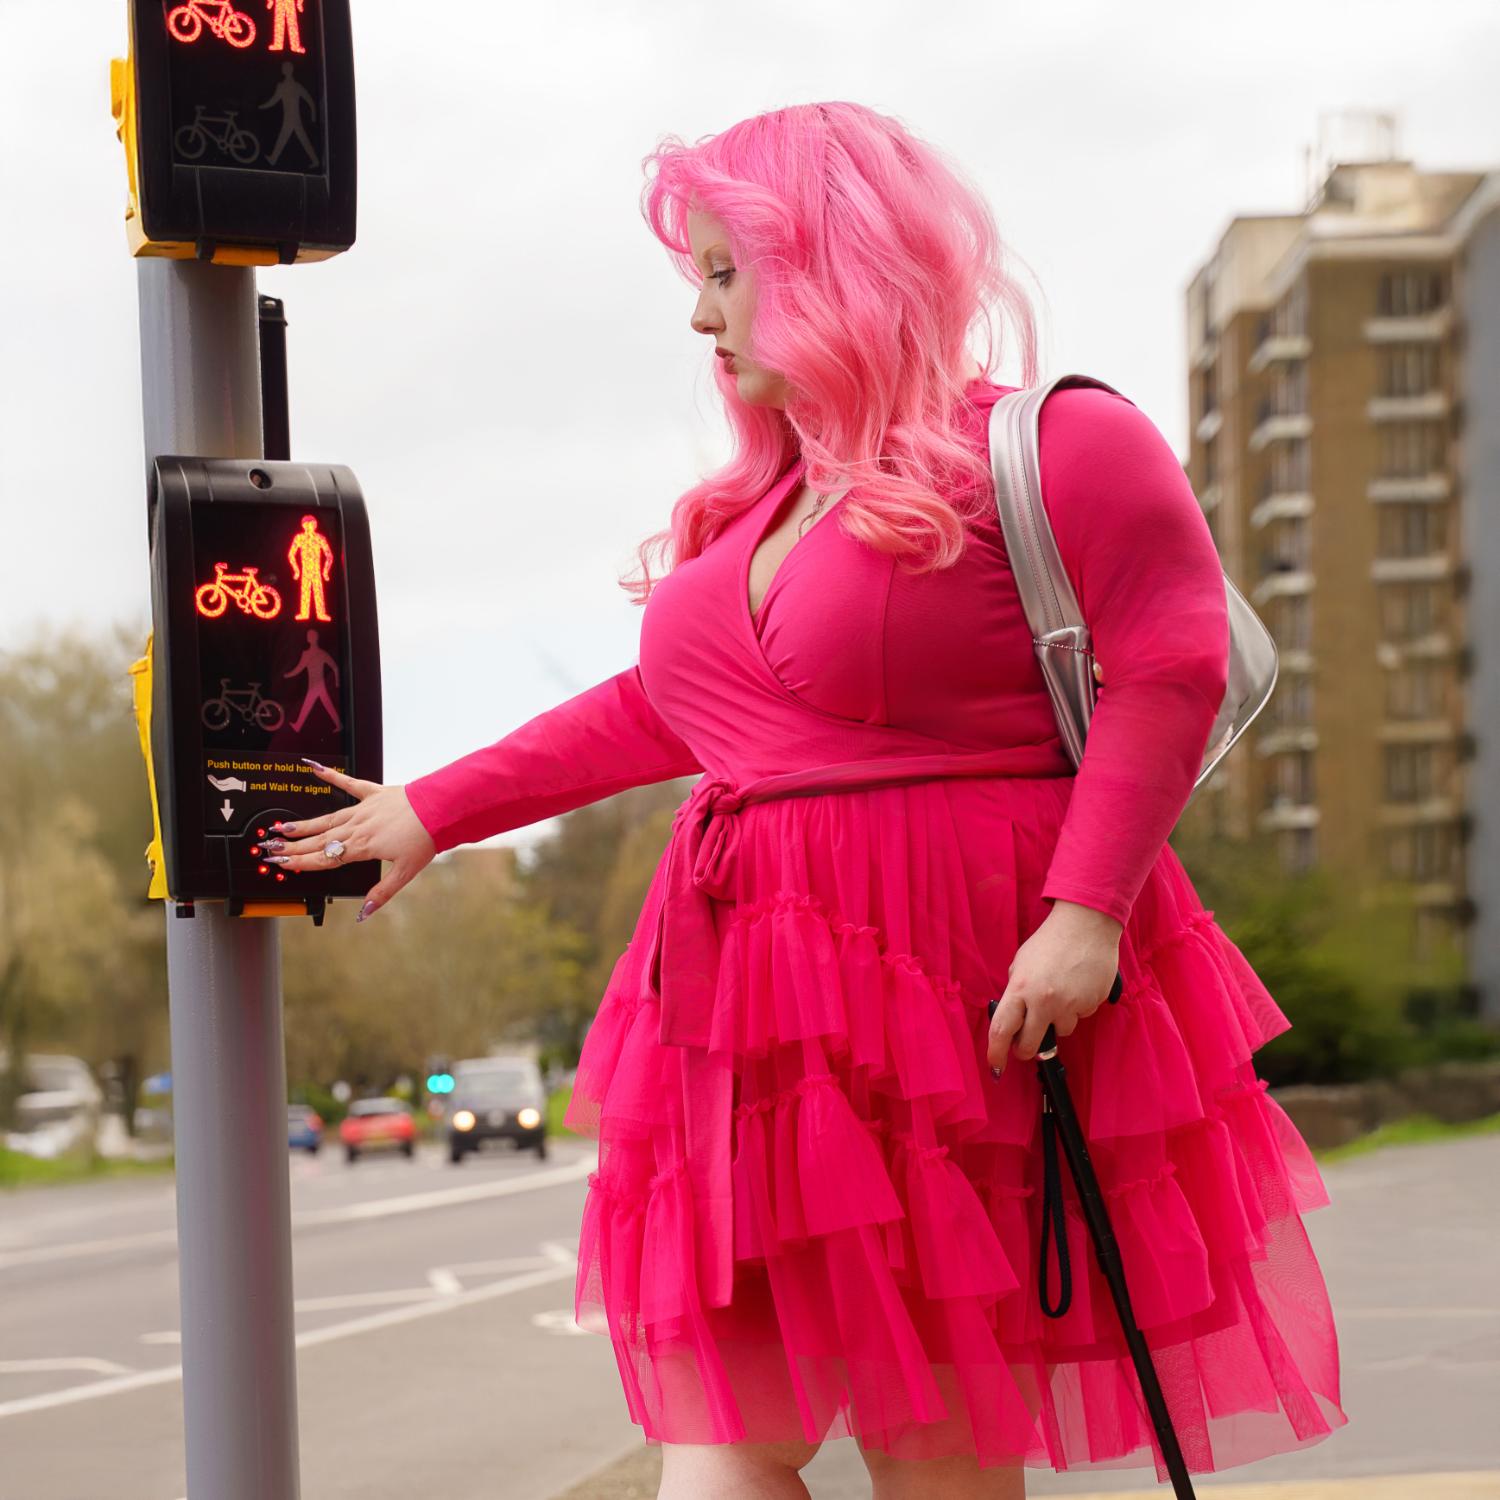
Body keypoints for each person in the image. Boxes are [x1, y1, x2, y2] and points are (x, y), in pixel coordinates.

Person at [261, 102, 1345, 1499]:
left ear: (840, 263)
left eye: (728, 272)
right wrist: (436, 808)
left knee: (933, 1443)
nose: (700, 316)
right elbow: (668, 710)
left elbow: (1170, 664)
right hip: (749, 1013)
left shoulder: (1059, 442)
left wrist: (1086, 915)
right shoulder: (761, 504)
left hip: (952, 987)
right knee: (724, 1440)